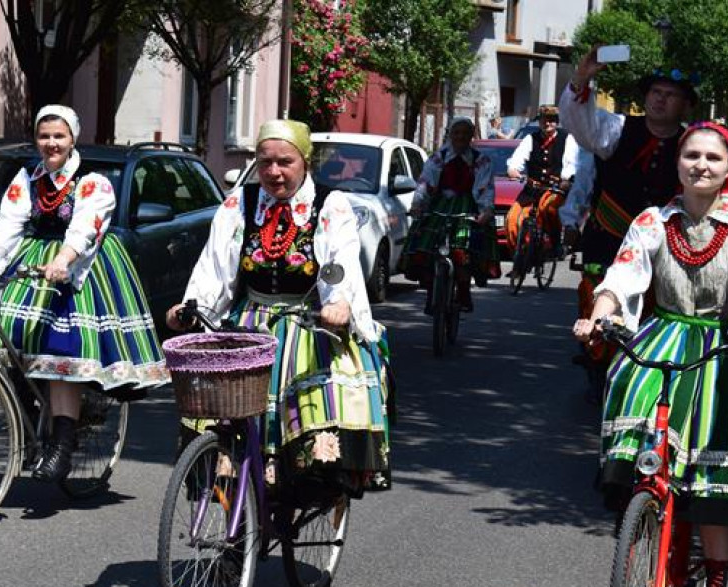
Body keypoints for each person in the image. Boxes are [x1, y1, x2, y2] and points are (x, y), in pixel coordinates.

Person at [573, 122, 728, 587]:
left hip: (724, 351)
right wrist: (598, 314)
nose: (701, 165)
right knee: (640, 437)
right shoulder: (653, 220)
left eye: (712, 158)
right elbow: (623, 276)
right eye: (691, 155)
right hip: (664, 340)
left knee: (716, 484)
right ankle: (643, 521)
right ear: (677, 163)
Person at [166, 119, 391, 501]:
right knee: (223, 419)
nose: (273, 171)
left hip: (306, 322)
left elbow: (342, 262)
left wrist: (338, 304)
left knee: (313, 410)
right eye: (265, 161)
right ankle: (235, 526)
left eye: (284, 161)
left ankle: (299, 495)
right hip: (249, 325)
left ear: (305, 160)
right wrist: (193, 307)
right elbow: (215, 265)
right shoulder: (241, 203)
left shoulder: (329, 205)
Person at [0, 105, 169, 481]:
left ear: (72, 139)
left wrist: (64, 260)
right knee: (7, 339)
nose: (51, 143)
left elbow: (85, 228)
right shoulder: (26, 179)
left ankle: (62, 445)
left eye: (59, 136)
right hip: (35, 259)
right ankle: (32, 417)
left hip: (80, 265)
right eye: (44, 136)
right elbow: (5, 226)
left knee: (60, 354)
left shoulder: (92, 182)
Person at [560, 49, 697, 401]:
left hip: (666, 246)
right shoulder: (617, 129)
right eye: (655, 93)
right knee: (599, 299)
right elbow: (579, 123)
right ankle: (596, 356)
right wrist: (581, 78)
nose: (660, 100)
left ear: (684, 105)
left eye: (670, 95)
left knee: (660, 314)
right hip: (609, 238)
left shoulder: (692, 145)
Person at [402, 115, 496, 312]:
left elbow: (484, 188)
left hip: (466, 208)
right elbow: (425, 184)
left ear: (471, 136)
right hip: (439, 207)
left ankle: (463, 293)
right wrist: (418, 205)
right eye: (457, 133)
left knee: (462, 250)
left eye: (465, 133)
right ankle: (431, 293)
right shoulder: (439, 158)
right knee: (425, 248)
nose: (461, 137)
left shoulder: (481, 161)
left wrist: (485, 210)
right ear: (450, 135)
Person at [505, 104, 579, 277]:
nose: (548, 123)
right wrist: (513, 170)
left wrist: (566, 180)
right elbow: (516, 160)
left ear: (557, 122)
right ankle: (520, 261)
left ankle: (555, 243)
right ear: (539, 121)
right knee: (512, 219)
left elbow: (571, 163)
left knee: (548, 208)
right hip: (532, 189)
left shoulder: (567, 139)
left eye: (552, 120)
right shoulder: (531, 139)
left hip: (555, 187)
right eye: (544, 120)